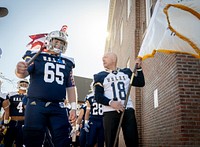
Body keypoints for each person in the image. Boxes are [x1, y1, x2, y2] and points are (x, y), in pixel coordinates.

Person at [15, 29, 77, 147]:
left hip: (58, 106)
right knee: (32, 141)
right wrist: (19, 70)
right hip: (35, 105)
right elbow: (23, 73)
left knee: (63, 140)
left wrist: (73, 107)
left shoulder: (67, 61)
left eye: (62, 43)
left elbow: (71, 86)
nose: (59, 45)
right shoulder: (36, 55)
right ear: (48, 41)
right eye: (56, 42)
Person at [93, 52, 145, 147]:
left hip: (127, 110)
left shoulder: (126, 72)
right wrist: (111, 103)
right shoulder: (100, 76)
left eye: (105, 57)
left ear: (114, 59)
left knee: (133, 141)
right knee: (111, 143)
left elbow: (140, 83)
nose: (103, 59)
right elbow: (98, 96)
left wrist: (139, 68)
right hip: (110, 112)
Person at [2, 79, 29, 147]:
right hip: (12, 122)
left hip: (24, 122)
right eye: (22, 82)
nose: (24, 84)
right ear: (18, 84)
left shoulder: (30, 96)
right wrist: (3, 123)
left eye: (26, 82)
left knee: (20, 143)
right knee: (7, 142)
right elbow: (6, 110)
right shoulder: (11, 94)